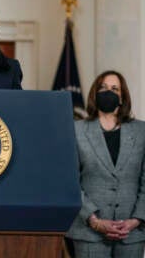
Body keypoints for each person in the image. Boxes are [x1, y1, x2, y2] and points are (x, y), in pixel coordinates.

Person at [66, 70, 145, 257]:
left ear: (122, 97)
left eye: (114, 88)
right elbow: (70, 180)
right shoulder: (76, 130)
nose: (108, 92)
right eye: (103, 88)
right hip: (89, 231)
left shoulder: (142, 131)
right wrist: (94, 221)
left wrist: (136, 220)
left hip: (132, 233)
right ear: (95, 93)